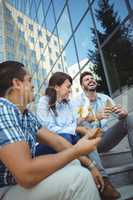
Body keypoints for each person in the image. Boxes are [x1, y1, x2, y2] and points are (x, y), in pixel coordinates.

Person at [0, 61, 101, 200]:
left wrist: (91, 165)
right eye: (29, 80)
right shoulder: (3, 110)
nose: (33, 85)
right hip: (6, 190)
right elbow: (26, 174)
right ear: (17, 83)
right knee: (80, 178)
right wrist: (77, 149)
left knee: (75, 162)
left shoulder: (26, 114)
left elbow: (57, 141)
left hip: (18, 184)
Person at [36, 72, 109, 195]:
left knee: (82, 133)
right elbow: (49, 129)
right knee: (68, 136)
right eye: (68, 87)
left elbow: (75, 121)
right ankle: (91, 175)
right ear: (56, 87)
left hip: (68, 139)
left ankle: (103, 179)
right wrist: (76, 129)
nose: (70, 90)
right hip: (51, 144)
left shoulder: (68, 104)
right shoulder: (44, 102)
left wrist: (81, 127)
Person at [74, 71, 133, 199]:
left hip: (105, 139)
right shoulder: (79, 101)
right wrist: (94, 117)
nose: (90, 80)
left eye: (92, 78)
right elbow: (75, 123)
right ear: (82, 85)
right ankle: (104, 182)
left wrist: (123, 114)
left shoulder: (105, 98)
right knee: (85, 124)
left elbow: (119, 115)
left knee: (130, 118)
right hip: (88, 140)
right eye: (86, 79)